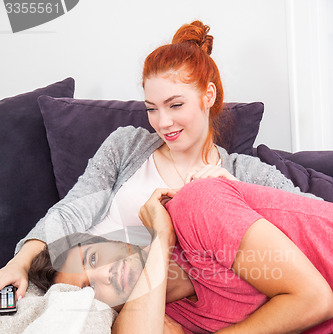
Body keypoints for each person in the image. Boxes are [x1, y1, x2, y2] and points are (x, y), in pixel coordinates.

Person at [0, 20, 315, 302]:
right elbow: (74, 209)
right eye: (152, 108)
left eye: (175, 105)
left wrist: (239, 194)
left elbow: (309, 222)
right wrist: (20, 261)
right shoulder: (127, 145)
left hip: (141, 306)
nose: (163, 122)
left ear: (208, 96)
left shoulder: (244, 173)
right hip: (75, 287)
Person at [28, 178, 333, 334]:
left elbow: (314, 300)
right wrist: (161, 240)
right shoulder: (151, 310)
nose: (104, 273)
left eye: (92, 258)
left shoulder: (194, 208)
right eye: (90, 287)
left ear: (104, 238)